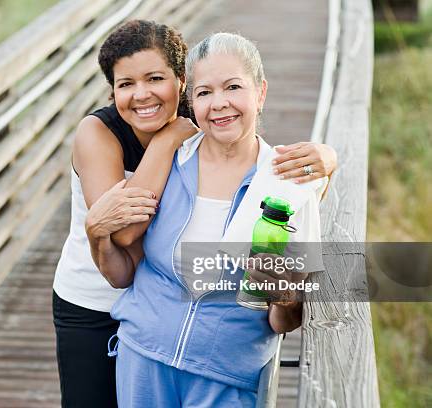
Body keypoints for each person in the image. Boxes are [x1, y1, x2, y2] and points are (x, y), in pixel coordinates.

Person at [53, 21, 336, 408]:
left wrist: (329, 160)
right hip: (94, 299)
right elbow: (122, 235)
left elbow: (287, 299)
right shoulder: (114, 136)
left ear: (181, 84)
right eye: (126, 84)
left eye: (155, 78)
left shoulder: (211, 126)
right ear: (113, 90)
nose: (142, 94)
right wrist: (167, 142)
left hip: (196, 350)